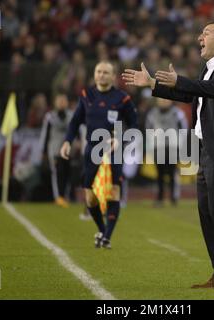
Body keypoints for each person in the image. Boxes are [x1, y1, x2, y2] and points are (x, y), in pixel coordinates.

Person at [123, 20, 214, 289]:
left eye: (205, 33)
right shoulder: (208, 67)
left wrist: (180, 80)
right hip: (207, 148)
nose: (199, 38)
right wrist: (152, 84)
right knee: (206, 210)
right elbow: (193, 96)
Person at [61, 61, 137, 249]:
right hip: (92, 150)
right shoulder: (87, 95)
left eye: (106, 72)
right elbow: (75, 121)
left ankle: (107, 237)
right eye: (98, 71)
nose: (102, 75)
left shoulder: (123, 98)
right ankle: (102, 230)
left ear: (113, 76)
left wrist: (119, 137)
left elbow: (134, 125)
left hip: (113, 151)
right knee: (90, 198)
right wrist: (67, 142)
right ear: (94, 75)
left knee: (113, 192)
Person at [145, 97, 188, 206]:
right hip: (158, 146)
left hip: (173, 147)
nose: (164, 101)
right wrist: (151, 145)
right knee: (159, 174)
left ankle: (174, 197)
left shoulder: (177, 113)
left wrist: (180, 144)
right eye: (161, 99)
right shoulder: (152, 113)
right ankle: (160, 197)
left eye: (166, 99)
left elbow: (184, 128)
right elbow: (148, 129)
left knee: (172, 172)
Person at [40, 93, 73, 208]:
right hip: (54, 150)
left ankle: (66, 196)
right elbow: (45, 134)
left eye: (64, 101)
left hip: (68, 150)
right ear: (55, 103)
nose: (62, 103)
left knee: (68, 173)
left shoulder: (71, 116)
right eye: (60, 101)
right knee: (57, 173)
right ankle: (58, 196)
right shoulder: (50, 117)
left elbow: (78, 131)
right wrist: (43, 151)